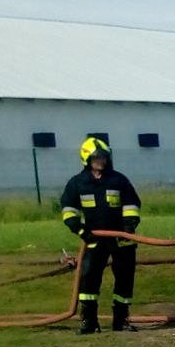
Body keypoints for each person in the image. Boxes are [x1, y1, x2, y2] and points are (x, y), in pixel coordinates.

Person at [59, 136, 141, 334]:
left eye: (104, 157)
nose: (101, 161)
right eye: (97, 158)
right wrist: (81, 231)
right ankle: (89, 321)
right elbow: (68, 211)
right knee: (88, 278)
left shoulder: (119, 180)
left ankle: (121, 320)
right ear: (87, 159)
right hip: (93, 239)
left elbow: (132, 205)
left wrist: (129, 227)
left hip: (121, 238)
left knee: (125, 278)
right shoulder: (78, 183)